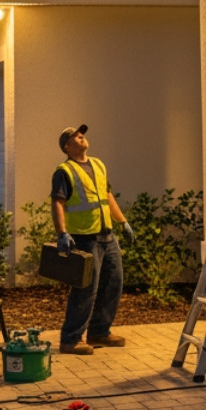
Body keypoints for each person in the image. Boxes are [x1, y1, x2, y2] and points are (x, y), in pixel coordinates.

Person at [51, 124, 135, 356]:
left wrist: (122, 222)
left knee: (113, 284)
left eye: (82, 134)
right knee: (85, 289)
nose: (82, 136)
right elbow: (58, 202)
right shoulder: (64, 171)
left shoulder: (98, 164)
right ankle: (71, 339)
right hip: (84, 238)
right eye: (75, 136)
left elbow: (107, 196)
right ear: (66, 147)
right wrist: (61, 233)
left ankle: (99, 331)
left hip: (107, 235)